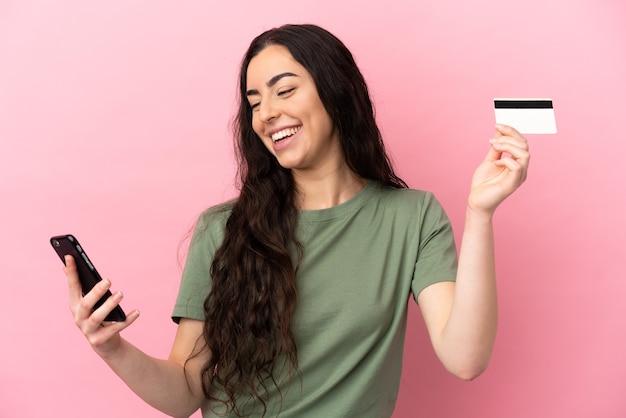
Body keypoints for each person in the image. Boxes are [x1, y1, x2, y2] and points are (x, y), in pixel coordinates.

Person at [64, 24, 530, 418]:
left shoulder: (412, 217)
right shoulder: (222, 229)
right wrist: (113, 348)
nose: (266, 113)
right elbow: (186, 392)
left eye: (284, 90)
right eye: (254, 101)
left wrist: (480, 212)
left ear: (338, 90)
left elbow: (465, 358)